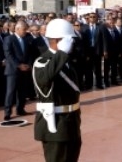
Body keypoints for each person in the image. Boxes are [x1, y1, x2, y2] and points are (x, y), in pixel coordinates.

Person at [32, 18, 82, 162]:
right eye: (69, 39)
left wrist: (62, 55)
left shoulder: (65, 61)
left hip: (71, 120)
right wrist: (61, 54)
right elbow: (44, 79)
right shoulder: (42, 61)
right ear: (57, 39)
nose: (72, 42)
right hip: (55, 123)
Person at [3, 20, 33, 120]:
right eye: (24, 29)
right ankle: (7, 112)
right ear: (18, 29)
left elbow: (29, 54)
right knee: (10, 92)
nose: (26, 31)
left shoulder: (26, 39)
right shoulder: (9, 39)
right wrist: (19, 65)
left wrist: (28, 65)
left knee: (22, 91)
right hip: (13, 70)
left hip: (24, 70)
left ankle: (20, 109)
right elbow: (8, 55)